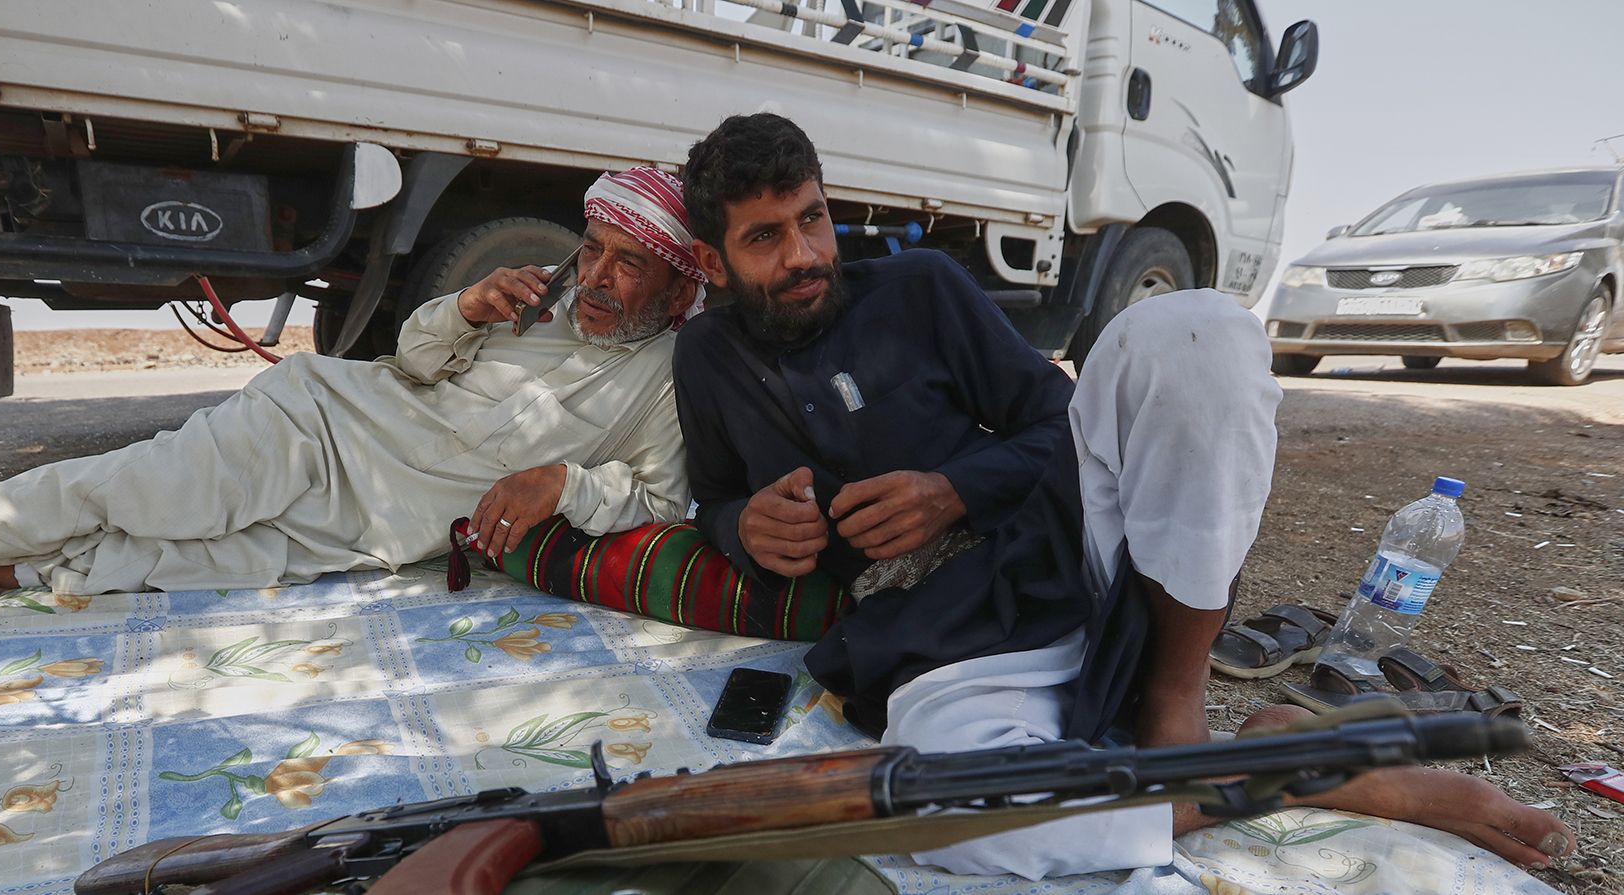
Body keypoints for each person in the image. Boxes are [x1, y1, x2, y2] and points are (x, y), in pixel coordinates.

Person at [672, 113, 1573, 878]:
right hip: (936, 634)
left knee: (1195, 331)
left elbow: (1052, 419)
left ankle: (1173, 703)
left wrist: (953, 488)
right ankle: (1294, 763)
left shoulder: (921, 288)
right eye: (766, 238)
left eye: (813, 219)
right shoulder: (706, 359)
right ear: (713, 261)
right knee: (944, 811)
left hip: (1057, 542)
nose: (803, 255)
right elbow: (711, 499)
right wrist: (743, 526)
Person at [0, 167, 706, 647]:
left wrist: (564, 481)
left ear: (676, 289)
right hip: (322, 422)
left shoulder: (668, 374)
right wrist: (459, 306)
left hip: (374, 526)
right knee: (137, 488)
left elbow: (663, 504)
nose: (600, 276)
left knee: (149, 567)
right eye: (595, 251)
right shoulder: (538, 292)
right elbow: (411, 364)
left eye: (629, 265)